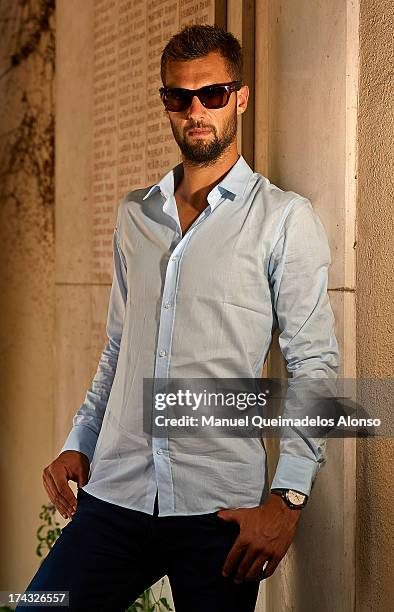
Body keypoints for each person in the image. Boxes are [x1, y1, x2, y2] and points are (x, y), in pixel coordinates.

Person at [18, 24, 340, 612]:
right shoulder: (134, 216)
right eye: (179, 96)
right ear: (165, 102)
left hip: (218, 511)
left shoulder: (284, 221)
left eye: (212, 94)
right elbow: (120, 346)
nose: (197, 110)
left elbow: (314, 365)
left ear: (239, 97)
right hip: (115, 494)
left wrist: (287, 499)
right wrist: (81, 440)